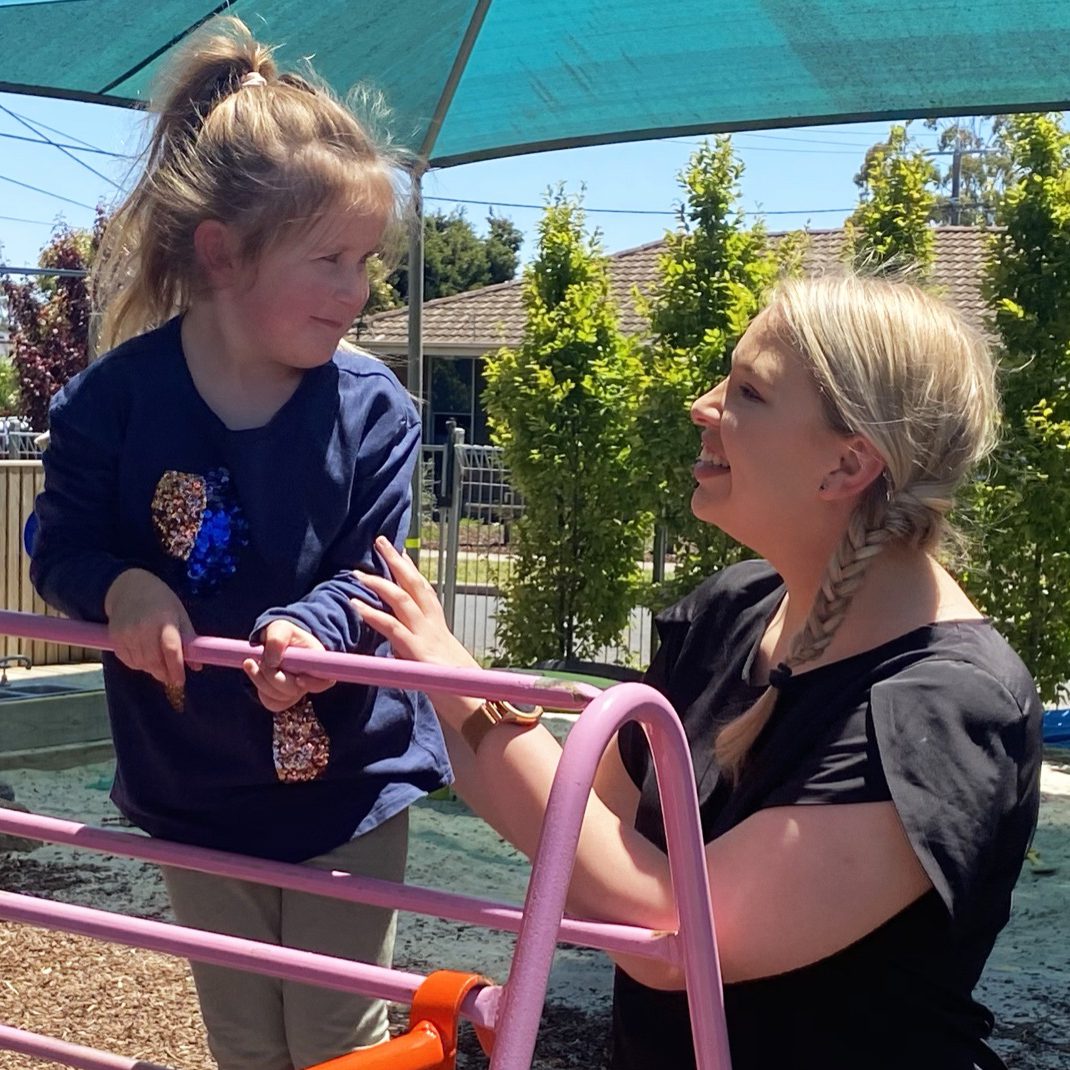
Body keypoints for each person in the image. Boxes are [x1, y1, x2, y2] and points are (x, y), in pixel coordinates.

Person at [354, 274, 1043, 1070]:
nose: (703, 405)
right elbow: (582, 861)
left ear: (847, 463)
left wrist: (460, 691)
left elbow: (670, 938)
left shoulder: (944, 705)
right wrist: (430, 675)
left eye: (747, 391)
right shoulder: (730, 611)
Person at [30, 17, 450, 1070]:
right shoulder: (111, 405)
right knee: (244, 1040)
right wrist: (122, 583)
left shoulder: (375, 410)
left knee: (334, 1037)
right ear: (221, 253)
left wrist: (303, 625)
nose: (358, 290)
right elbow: (61, 536)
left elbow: (373, 568)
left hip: (348, 779)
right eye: (330, 260)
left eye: (365, 262)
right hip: (193, 779)